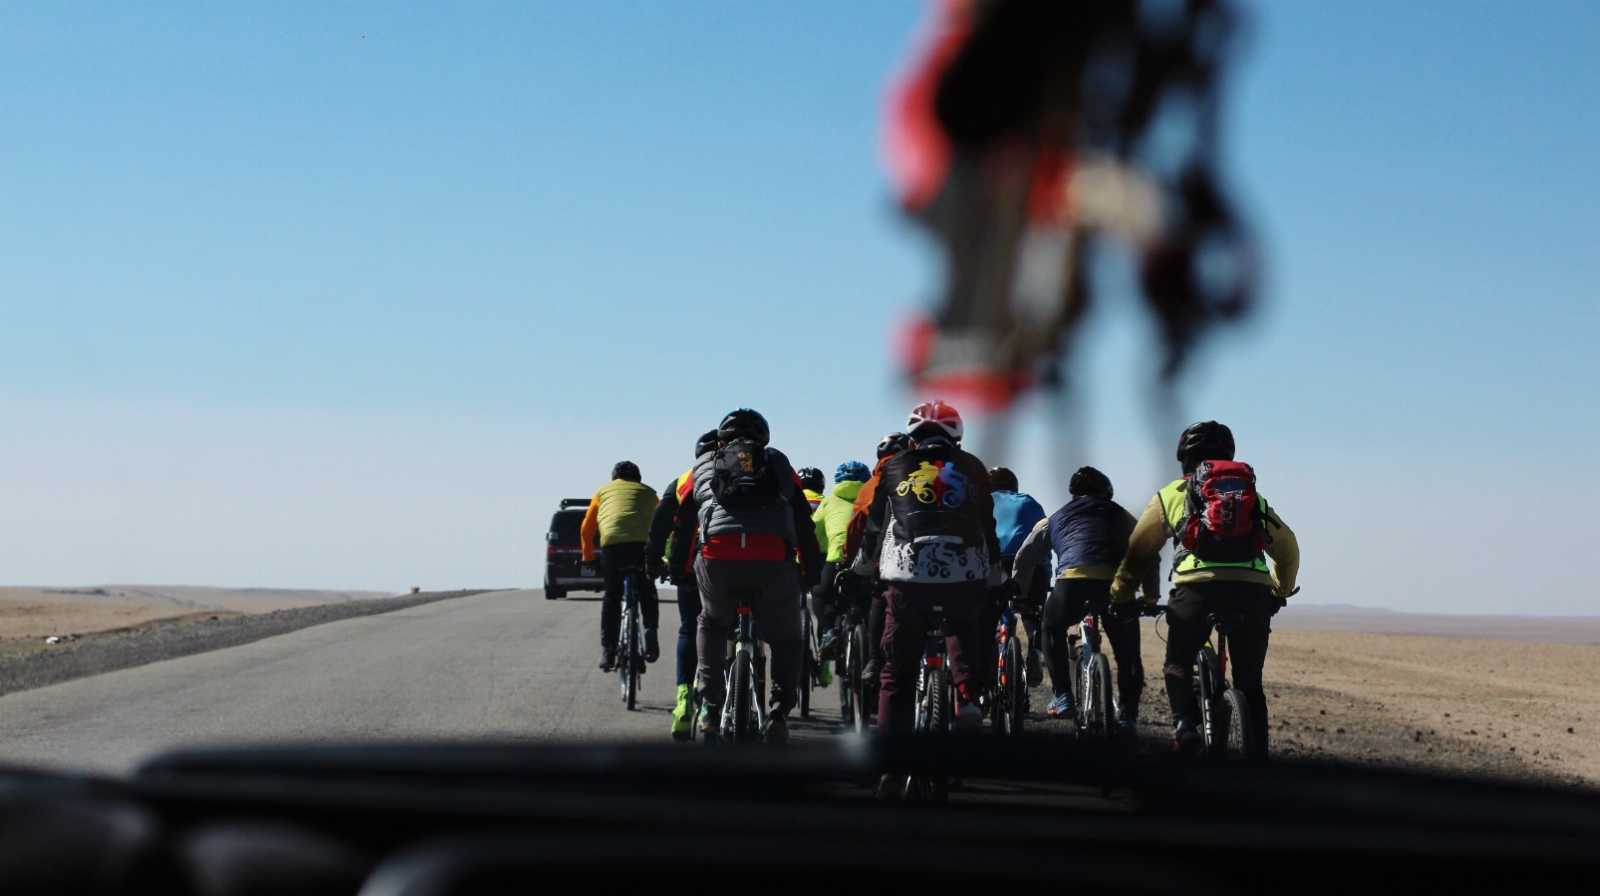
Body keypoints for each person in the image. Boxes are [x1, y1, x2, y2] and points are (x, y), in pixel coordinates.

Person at [1108, 421, 1300, 756]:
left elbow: (1139, 552)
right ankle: (1257, 762)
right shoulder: (1252, 498)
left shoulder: (1171, 494)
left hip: (1196, 591)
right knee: (1250, 682)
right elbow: (1288, 548)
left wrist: (1121, 595)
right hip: (1252, 591)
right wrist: (1280, 591)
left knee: (1178, 662)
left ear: (1184, 457)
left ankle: (1185, 726)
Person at [844, 400, 1001, 737]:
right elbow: (987, 526)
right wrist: (995, 572)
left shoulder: (894, 467)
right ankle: (967, 698)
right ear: (956, 438)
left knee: (895, 672)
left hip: (907, 572)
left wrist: (862, 569)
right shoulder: (973, 466)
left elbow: (874, 528)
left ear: (913, 438)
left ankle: (890, 754)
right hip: (964, 570)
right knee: (962, 625)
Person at [673, 408, 822, 743]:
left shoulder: (703, 465)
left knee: (712, 623)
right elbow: (803, 521)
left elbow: (683, 523)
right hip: (772, 559)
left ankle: (710, 708)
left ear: (721, 439)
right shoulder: (778, 463)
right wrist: (810, 572)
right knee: (786, 637)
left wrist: (679, 569)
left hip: (718, 558)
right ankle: (779, 713)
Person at [1013, 466, 1157, 731]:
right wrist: (1150, 597)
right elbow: (1147, 550)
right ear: (1107, 493)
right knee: (1128, 654)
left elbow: (1026, 556)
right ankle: (1128, 713)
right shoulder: (1120, 514)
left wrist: (1019, 592)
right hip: (1114, 585)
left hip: (1071, 583)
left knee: (1051, 627)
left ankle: (1062, 695)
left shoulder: (1055, 518)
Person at [645, 430, 718, 741]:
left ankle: (684, 700)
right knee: (724, 629)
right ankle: (716, 702)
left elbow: (659, 525)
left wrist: (654, 562)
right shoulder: (747, 472)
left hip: (690, 567)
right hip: (733, 567)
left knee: (690, 628)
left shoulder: (684, 480)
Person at [580, 461, 661, 672]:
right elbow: (664, 522)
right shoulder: (649, 493)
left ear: (614, 478)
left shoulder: (602, 493)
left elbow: (586, 529)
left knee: (612, 596)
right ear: (638, 478)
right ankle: (651, 632)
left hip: (613, 546)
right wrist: (664, 558)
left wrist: (588, 557)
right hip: (642, 546)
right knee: (647, 589)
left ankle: (608, 650)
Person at [988, 466, 1047, 687]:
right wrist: (1045, 578)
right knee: (1032, 612)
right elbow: (1043, 543)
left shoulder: (982, 502)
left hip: (994, 565)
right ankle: (1035, 649)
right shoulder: (1029, 502)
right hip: (1030, 566)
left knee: (988, 614)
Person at [811, 460, 871, 661]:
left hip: (838, 556)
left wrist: (823, 551)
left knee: (821, 593)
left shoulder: (830, 500)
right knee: (869, 599)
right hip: (867, 558)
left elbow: (816, 531)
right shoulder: (873, 496)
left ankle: (829, 631)